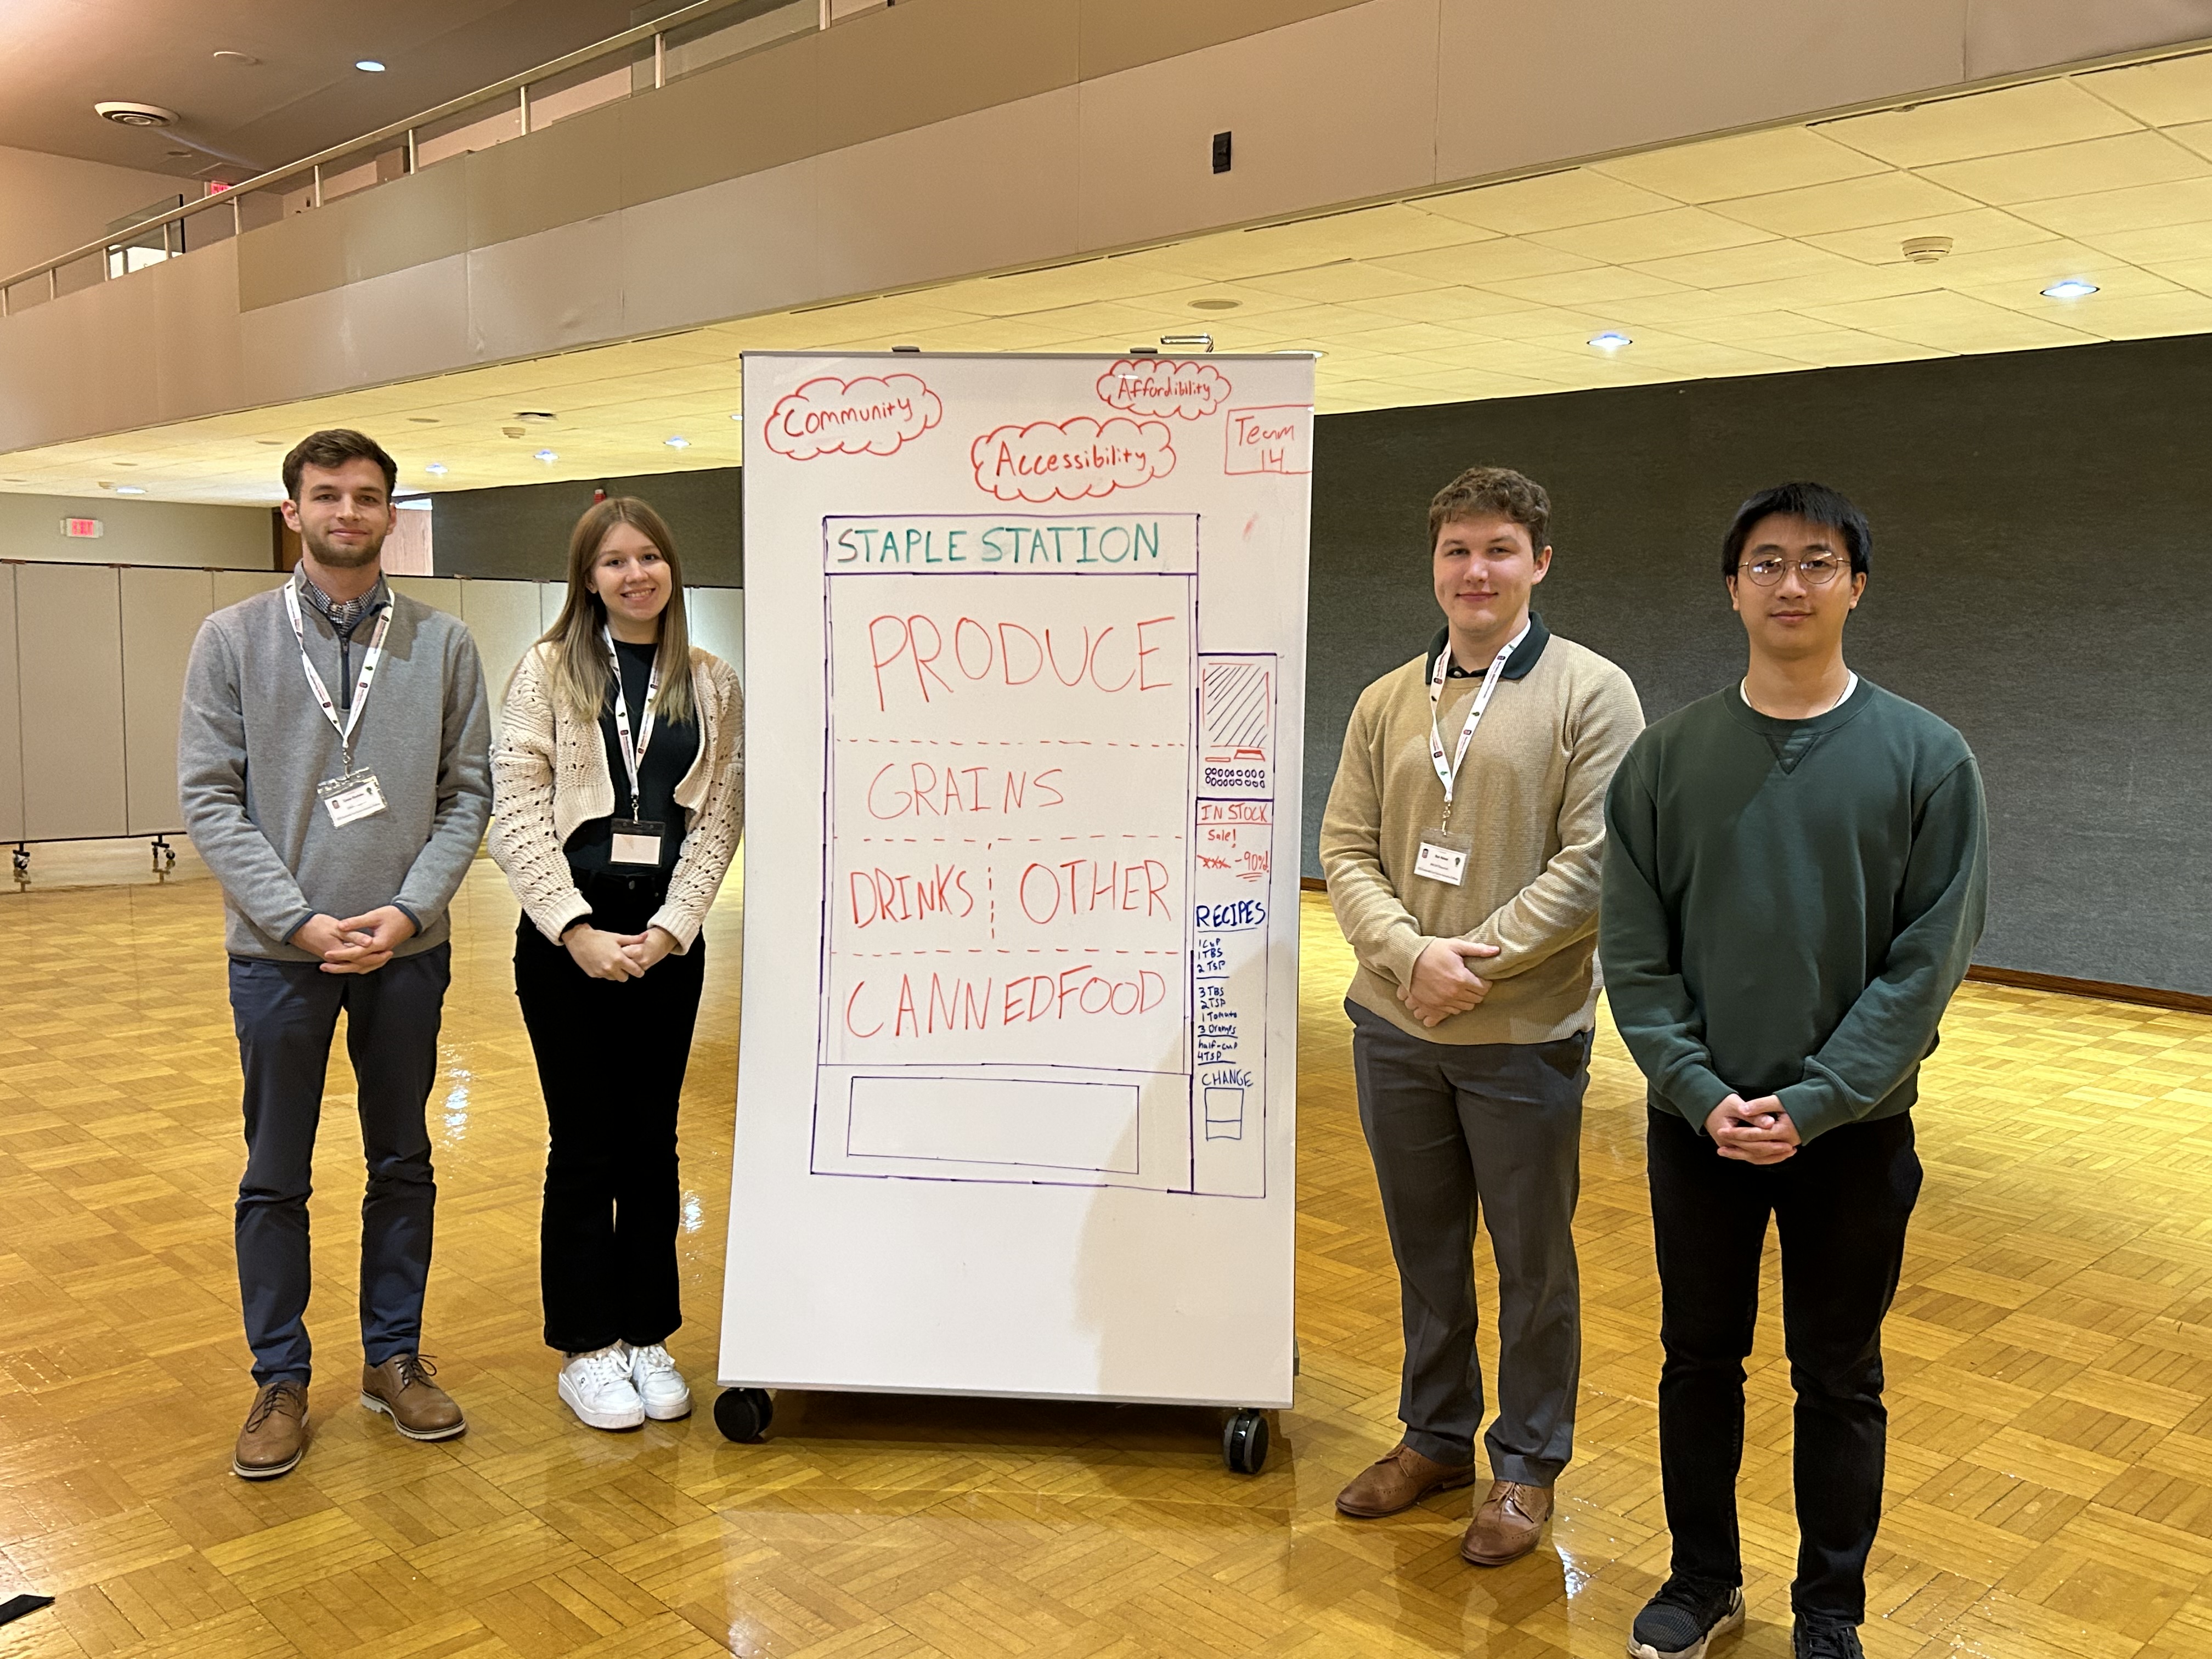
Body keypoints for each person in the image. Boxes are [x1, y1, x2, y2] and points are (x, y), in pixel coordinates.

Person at [1601, 483, 1988, 1659]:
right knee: (1697, 1364)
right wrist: (1696, 1087)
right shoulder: (1666, 759)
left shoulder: (1929, 757)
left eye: (1818, 562)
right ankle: (1702, 1580)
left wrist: (1817, 1101)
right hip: (1700, 1127)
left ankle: (1832, 1611)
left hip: (1855, 1136)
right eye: (1766, 563)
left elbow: (1928, 962)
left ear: (1856, 587)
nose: (1791, 584)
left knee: (1839, 1378)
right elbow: (1634, 952)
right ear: (1732, 588)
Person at [1319, 465, 1644, 1564]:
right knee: (1426, 1249)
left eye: (1499, 549)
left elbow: (1597, 863)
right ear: (1436, 568)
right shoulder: (1384, 700)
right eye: (1458, 552)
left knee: (1532, 1261)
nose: (1477, 571)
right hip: (1394, 1027)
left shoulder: (1593, 694)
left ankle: (1525, 1468)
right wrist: (1411, 958)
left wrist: (1475, 966)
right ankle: (1435, 1436)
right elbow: (1346, 851)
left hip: (1522, 1037)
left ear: (1539, 563)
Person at [179, 428, 492, 1480]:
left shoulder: (444, 644)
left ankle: (393, 1357)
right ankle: (280, 1375)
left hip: (406, 951)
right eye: (327, 496)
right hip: (278, 956)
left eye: (366, 497)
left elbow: (469, 798)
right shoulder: (231, 639)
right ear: (293, 512)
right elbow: (211, 800)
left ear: (390, 514)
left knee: (402, 1158)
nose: (347, 513)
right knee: (276, 1173)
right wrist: (302, 921)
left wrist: (404, 914)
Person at [489, 497, 744, 1432]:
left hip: (667, 945)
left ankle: (649, 1333)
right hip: (568, 945)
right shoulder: (548, 671)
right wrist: (575, 928)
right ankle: (588, 1348)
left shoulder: (711, 681)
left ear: (672, 569)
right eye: (613, 562)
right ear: (587, 579)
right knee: (584, 1144)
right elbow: (515, 811)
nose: (635, 575)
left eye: (650, 557)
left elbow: (717, 818)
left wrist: (674, 927)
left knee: (655, 1143)